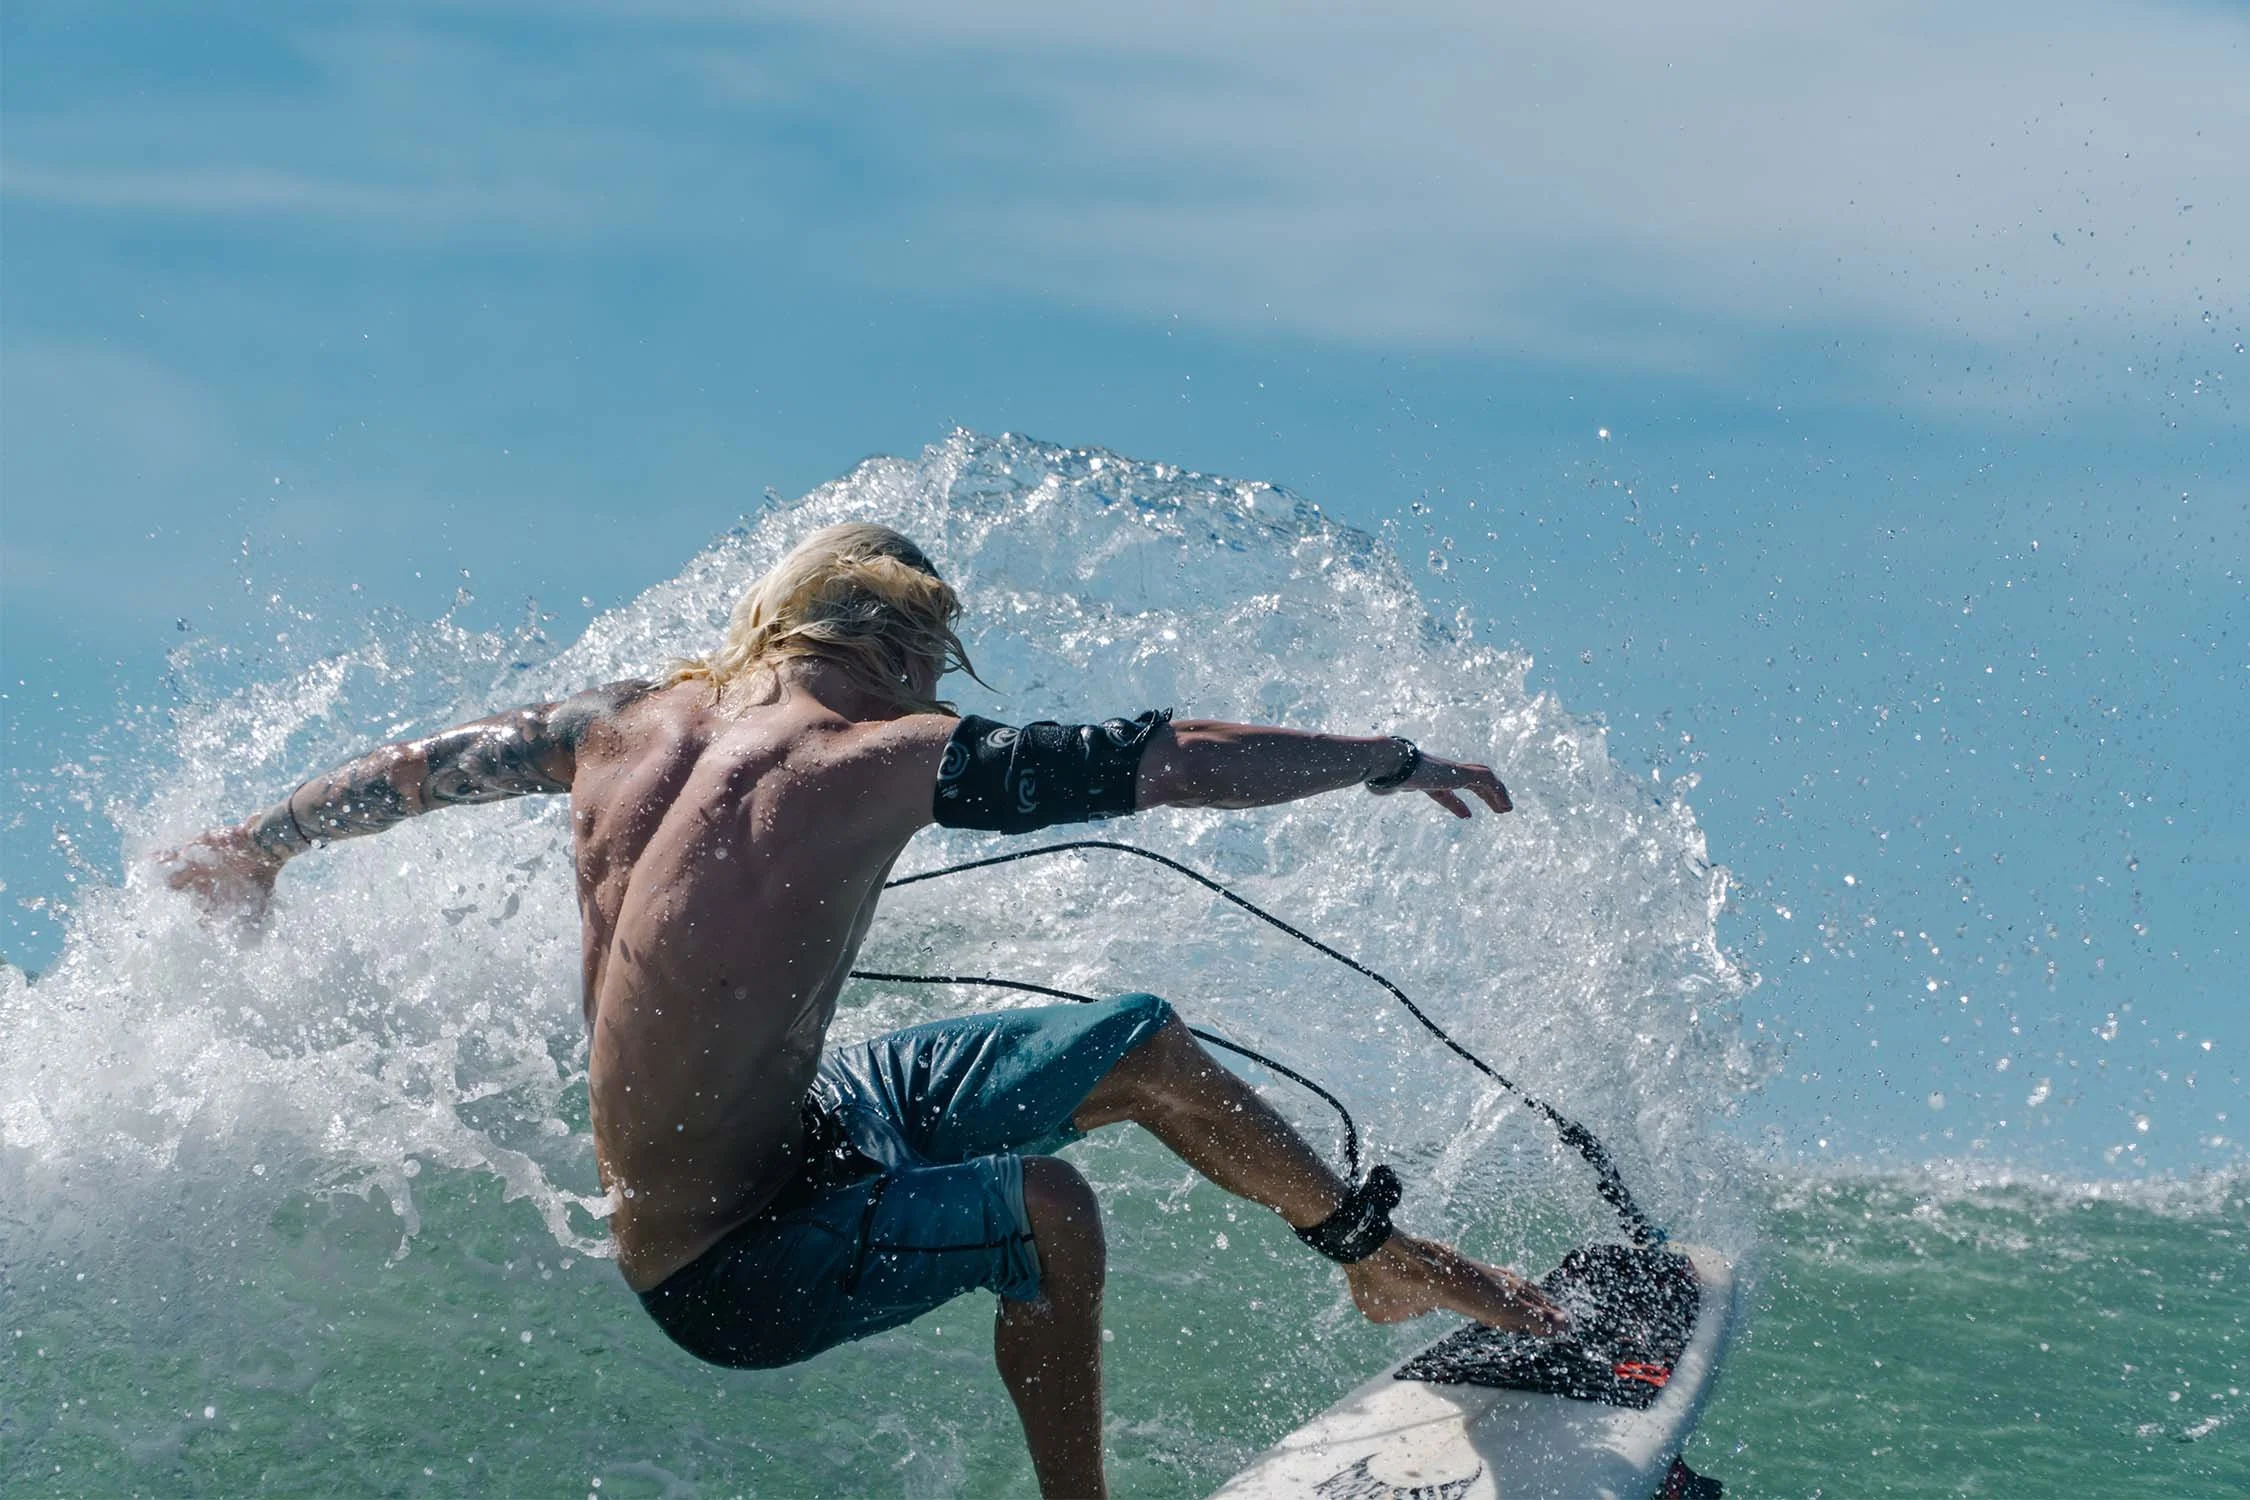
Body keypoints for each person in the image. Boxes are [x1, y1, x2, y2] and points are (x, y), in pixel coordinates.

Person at [162, 522, 1567, 1499]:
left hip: (812, 1126)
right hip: (720, 1264)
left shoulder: (612, 721)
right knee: (1049, 1209)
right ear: (915, 654)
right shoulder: (887, 751)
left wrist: (260, 847)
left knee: (1135, 1038)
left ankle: (1370, 1255)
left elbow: (415, 773)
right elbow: (1169, 757)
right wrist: (1384, 758)